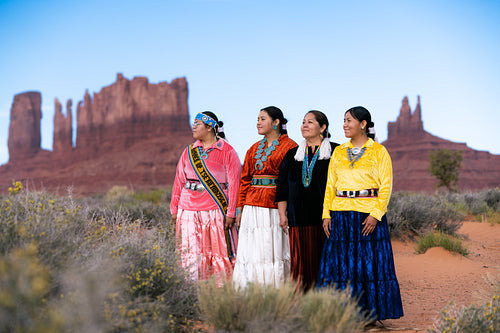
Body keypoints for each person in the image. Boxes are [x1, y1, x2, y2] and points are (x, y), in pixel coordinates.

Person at [317, 106, 404, 322]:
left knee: (368, 267)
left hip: (367, 217)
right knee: (341, 266)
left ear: (363, 124)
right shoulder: (338, 152)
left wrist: (376, 214)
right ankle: (341, 314)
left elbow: (386, 186)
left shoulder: (379, 151)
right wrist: (326, 213)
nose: (344, 124)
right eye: (344, 120)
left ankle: (370, 315)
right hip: (341, 216)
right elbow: (330, 185)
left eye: (349, 120)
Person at [170, 111, 241, 282]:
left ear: (210, 127)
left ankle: (220, 290)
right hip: (187, 211)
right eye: (193, 123)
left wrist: (231, 213)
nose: (193, 126)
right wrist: (174, 208)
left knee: (218, 252)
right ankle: (190, 290)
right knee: (190, 252)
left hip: (215, 210)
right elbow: (179, 181)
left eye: (198, 123)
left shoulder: (227, 151)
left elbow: (234, 184)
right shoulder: (189, 151)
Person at [232, 106, 297, 288]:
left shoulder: (290, 147)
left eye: (262, 119)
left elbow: (292, 181)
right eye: (258, 119)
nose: (258, 123)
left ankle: (275, 292)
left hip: (275, 206)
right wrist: (240, 209)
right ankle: (251, 293)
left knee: (272, 250)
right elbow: (244, 179)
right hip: (252, 205)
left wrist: (289, 210)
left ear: (276, 122)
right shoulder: (253, 149)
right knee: (253, 252)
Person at [275, 110, 339, 291]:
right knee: (300, 264)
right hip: (298, 218)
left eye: (310, 122)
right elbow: (282, 188)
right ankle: (302, 305)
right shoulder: (292, 155)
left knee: (325, 262)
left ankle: (327, 304)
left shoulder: (336, 151)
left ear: (323, 127)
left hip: (327, 219)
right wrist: (282, 214)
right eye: (303, 122)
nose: (304, 125)